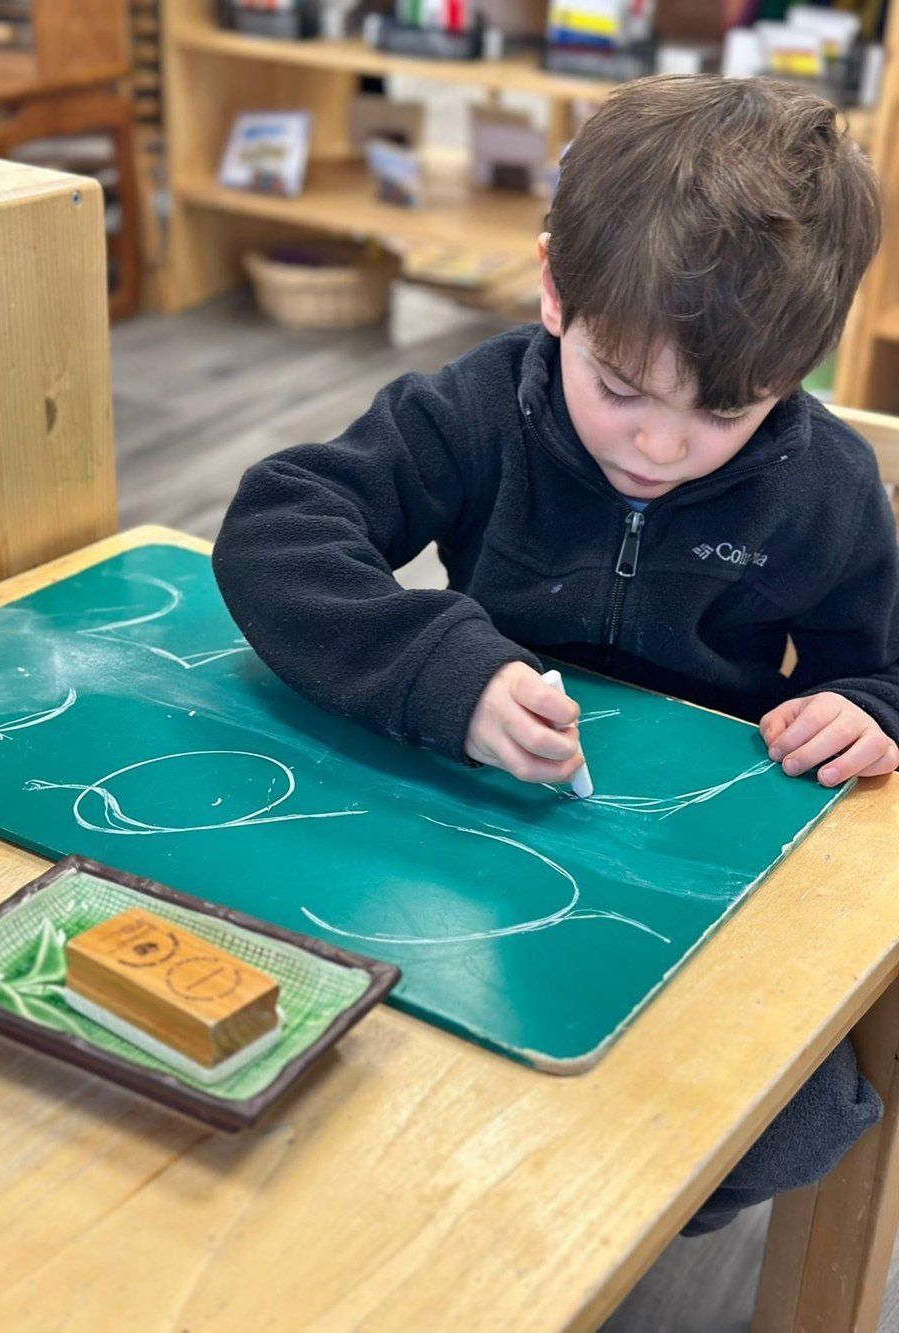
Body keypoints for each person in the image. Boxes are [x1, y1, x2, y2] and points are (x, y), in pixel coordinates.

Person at [213, 75, 895, 1233]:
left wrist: (864, 703)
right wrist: (446, 672)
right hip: (465, 818)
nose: (658, 444)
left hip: (695, 858)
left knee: (779, 1117)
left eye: (723, 415)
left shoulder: (825, 484)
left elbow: (877, 660)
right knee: (334, 1055)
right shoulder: (479, 411)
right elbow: (279, 524)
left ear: (798, 370)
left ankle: (595, 1201)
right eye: (619, 386)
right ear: (551, 292)